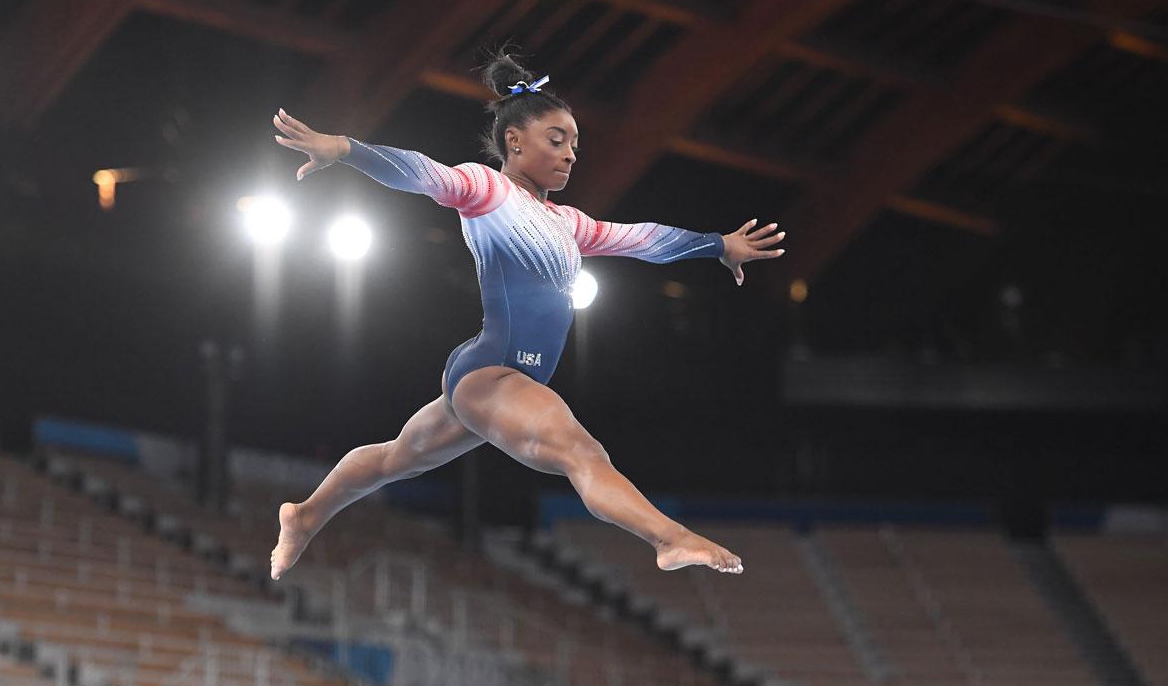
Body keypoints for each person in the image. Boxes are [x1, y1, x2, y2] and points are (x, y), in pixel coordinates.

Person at [269, 51, 785, 579]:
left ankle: (304, 516)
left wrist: (717, 244)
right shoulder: (486, 191)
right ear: (514, 142)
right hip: (495, 374)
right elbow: (421, 173)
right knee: (581, 451)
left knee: (393, 459)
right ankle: (669, 538)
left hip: (495, 378)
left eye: (575, 146)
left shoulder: (568, 224)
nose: (569, 155)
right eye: (556, 140)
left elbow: (645, 239)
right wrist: (347, 149)